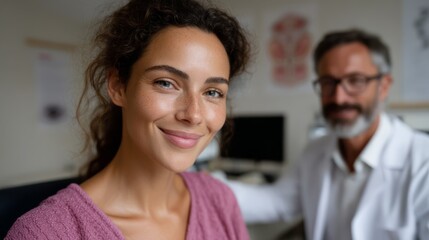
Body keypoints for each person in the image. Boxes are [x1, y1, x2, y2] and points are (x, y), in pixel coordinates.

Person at [6, 0, 251, 239]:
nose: (193, 114)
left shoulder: (220, 200)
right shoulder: (45, 233)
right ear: (118, 86)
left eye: (212, 92)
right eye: (166, 83)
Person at [225, 29, 429, 240]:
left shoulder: (423, 160)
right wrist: (199, 185)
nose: (339, 98)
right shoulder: (316, 151)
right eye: (328, 82)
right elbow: (276, 202)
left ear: (383, 86)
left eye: (356, 80)